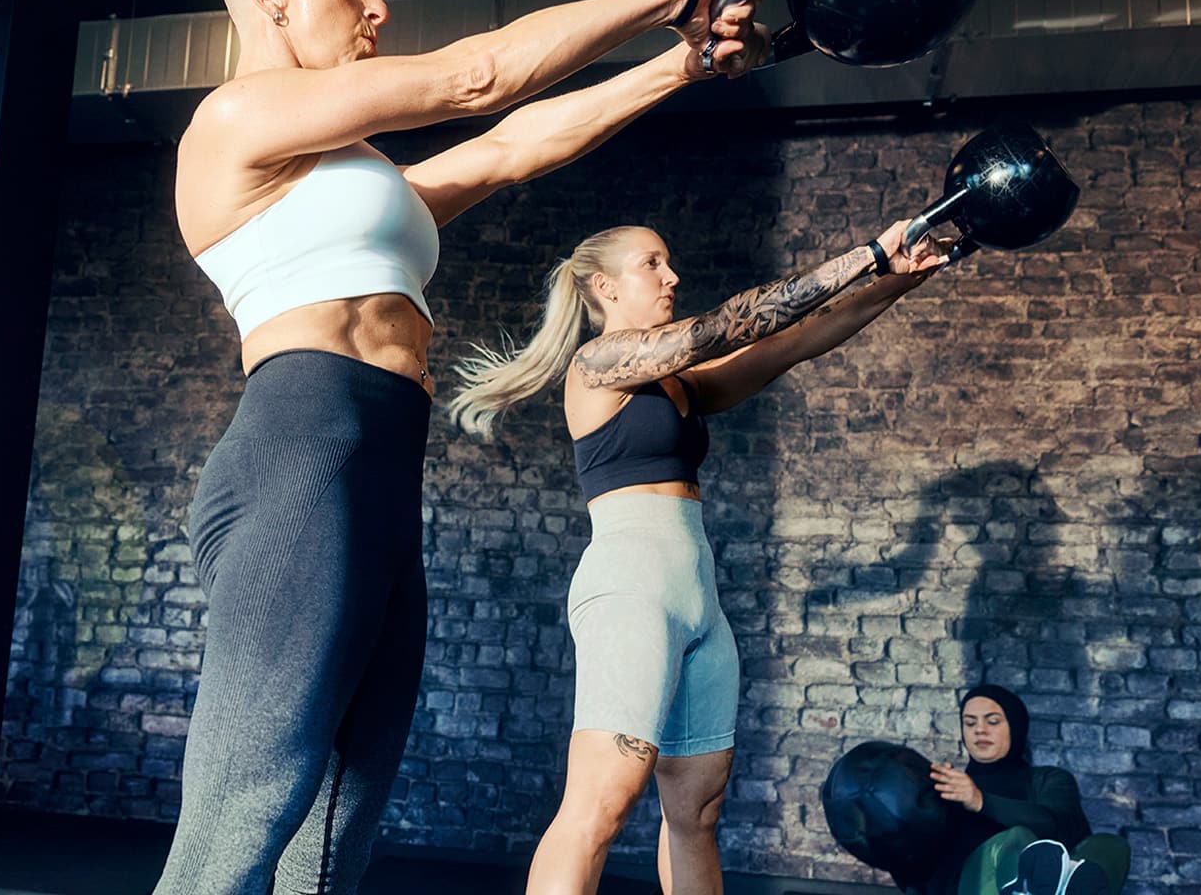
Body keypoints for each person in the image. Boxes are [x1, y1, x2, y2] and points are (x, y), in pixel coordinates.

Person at [160, 0, 772, 895]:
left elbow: (508, 148)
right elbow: (475, 79)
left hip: (380, 472)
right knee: (243, 819)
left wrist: (682, 70)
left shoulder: (356, 184)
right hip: (301, 453)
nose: (378, 7)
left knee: (336, 831)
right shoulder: (233, 123)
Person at [447, 222, 949, 894]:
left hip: (695, 594)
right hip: (630, 586)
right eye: (651, 263)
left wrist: (898, 279)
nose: (671, 275)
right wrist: (868, 255)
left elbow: (793, 340)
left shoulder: (680, 383)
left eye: (669, 261)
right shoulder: (600, 365)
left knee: (697, 812)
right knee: (601, 804)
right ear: (605, 286)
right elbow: (729, 326)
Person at [909, 684, 1131, 895]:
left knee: (1109, 845)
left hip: (1053, 878)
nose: (979, 730)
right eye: (969, 723)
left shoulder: (1048, 779)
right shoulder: (949, 789)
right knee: (1015, 838)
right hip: (972, 887)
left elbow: (1059, 826)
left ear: (1015, 726)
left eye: (993, 721)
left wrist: (981, 801)